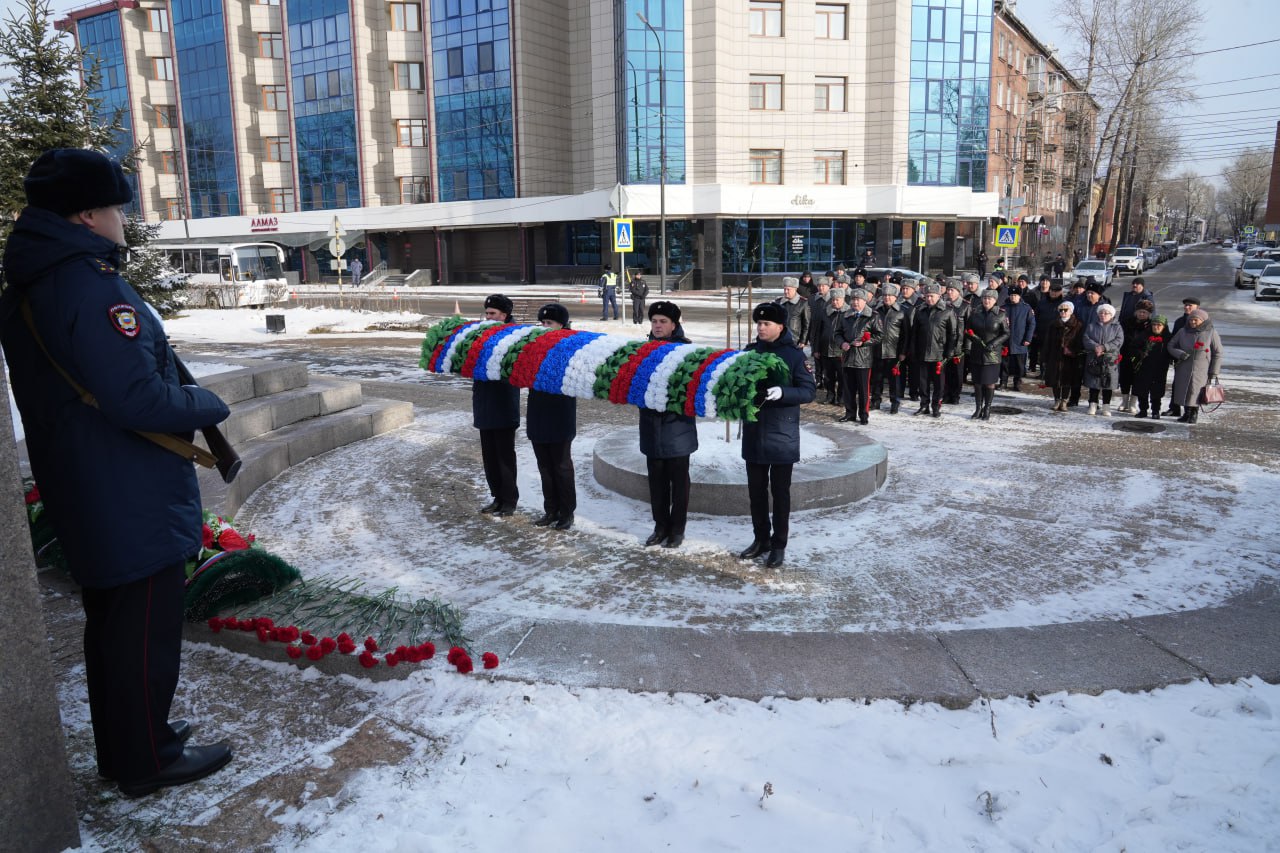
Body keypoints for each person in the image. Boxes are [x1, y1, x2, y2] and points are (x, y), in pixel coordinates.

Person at [0, 148, 234, 797]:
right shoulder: (91, 285)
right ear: (86, 215)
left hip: (87, 479)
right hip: (126, 487)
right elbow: (137, 399)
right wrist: (208, 403)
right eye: (115, 207)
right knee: (141, 632)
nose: (123, 219)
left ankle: (130, 741)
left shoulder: (36, 281)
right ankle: (147, 760)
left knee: (113, 624)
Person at [738, 302, 816, 569]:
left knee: (780, 494)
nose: (761, 328)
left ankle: (779, 544)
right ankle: (761, 539)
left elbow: (808, 391)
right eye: (758, 324)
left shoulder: (794, 355)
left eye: (766, 324)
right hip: (754, 432)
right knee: (756, 492)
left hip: (782, 434)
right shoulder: (750, 352)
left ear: (780, 327)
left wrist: (784, 392)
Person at [639, 301, 697, 548]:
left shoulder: (687, 352)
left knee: (679, 484)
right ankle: (660, 526)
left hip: (677, 429)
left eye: (663, 321)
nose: (658, 325)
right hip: (651, 427)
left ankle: (677, 529)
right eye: (654, 321)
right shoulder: (643, 351)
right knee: (656, 483)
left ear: (674, 325)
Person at [527, 303, 577, 530]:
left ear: (562, 325)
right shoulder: (534, 346)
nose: (545, 326)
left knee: (561, 466)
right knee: (545, 467)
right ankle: (551, 510)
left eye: (550, 323)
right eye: (543, 323)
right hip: (538, 413)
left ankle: (567, 512)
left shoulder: (571, 347)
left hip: (560, 415)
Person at [475, 294, 521, 514]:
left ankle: (509, 500)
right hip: (484, 403)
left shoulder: (515, 337)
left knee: (504, 456)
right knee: (489, 456)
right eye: (486, 313)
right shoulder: (482, 334)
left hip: (503, 404)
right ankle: (497, 497)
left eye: (492, 313)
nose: (488, 317)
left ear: (504, 315)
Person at [908, 283, 960, 417]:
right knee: (923, 382)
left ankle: (936, 406)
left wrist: (949, 351)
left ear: (938, 296)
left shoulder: (947, 311)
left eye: (932, 296)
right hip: (922, 352)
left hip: (939, 353)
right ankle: (924, 405)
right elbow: (914, 333)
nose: (929, 299)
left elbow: (953, 333)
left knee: (939, 384)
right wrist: (913, 349)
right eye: (927, 296)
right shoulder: (920, 311)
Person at [1167, 308, 1224, 425]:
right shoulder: (1182, 331)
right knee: (1184, 390)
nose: (1192, 322)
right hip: (1184, 366)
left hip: (1202, 368)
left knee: (1196, 391)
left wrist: (1214, 371)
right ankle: (1186, 413)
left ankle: (1194, 413)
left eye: (1195, 320)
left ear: (1203, 321)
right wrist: (1180, 354)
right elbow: (1171, 345)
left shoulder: (1211, 332)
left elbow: (1218, 353)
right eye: (1191, 320)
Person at [834, 288, 881, 424]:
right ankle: (850, 413)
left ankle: (864, 415)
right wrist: (842, 343)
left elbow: (879, 335)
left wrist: (864, 342)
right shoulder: (845, 316)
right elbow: (837, 333)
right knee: (848, 389)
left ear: (864, 301)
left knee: (863, 389)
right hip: (848, 357)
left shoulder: (872, 316)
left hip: (863, 359)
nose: (855, 302)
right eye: (853, 299)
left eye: (858, 300)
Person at [964, 289, 1010, 420]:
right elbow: (967, 330)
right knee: (977, 382)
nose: (986, 301)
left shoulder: (1000, 314)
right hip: (977, 352)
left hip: (992, 354)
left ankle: (987, 408)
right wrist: (975, 339)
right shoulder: (975, 313)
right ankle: (978, 408)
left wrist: (994, 344)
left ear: (995, 300)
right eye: (984, 298)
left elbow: (1006, 333)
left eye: (990, 298)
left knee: (989, 382)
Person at [870, 283, 909, 414]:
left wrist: (903, 352)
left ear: (895, 297)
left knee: (894, 380)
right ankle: (875, 400)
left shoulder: (902, 311)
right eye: (885, 295)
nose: (887, 298)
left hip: (894, 352)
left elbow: (906, 334)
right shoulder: (876, 311)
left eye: (890, 295)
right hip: (877, 350)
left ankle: (895, 402)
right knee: (877, 378)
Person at [1042, 300, 1085, 412]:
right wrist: (1045, 357)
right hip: (1055, 356)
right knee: (1055, 379)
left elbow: (1080, 342)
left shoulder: (1078, 325)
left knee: (1067, 380)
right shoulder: (1053, 324)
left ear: (1071, 311)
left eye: (1065, 310)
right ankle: (1056, 400)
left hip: (1069, 358)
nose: (1063, 312)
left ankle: (1064, 400)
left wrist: (1072, 351)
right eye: (1061, 310)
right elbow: (1047, 341)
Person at [1083, 303, 1123, 416]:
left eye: (1106, 313)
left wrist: (1105, 347)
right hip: (1094, 357)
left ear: (1111, 315)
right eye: (1101, 313)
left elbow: (1119, 340)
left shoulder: (1117, 327)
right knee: (1094, 382)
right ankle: (1093, 404)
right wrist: (1096, 347)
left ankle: (1106, 406)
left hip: (1110, 359)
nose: (1103, 315)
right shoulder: (1091, 325)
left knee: (1107, 383)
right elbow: (1086, 338)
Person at [1163, 297, 1201, 417]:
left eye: (1190, 305)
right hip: (1179, 357)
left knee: (1191, 385)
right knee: (1177, 384)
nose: (1187, 307)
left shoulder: (1201, 321)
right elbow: (1173, 340)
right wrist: (1173, 355)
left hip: (1195, 359)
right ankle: (1174, 408)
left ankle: (1189, 411)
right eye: (1185, 305)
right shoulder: (1180, 321)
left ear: (1197, 308)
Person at [1131, 314, 1172, 419]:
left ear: (1164, 326)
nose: (1156, 327)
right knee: (1142, 390)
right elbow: (1133, 347)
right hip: (1144, 367)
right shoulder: (1144, 335)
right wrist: (1140, 353)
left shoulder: (1168, 337)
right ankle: (1143, 410)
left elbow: (1172, 350)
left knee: (1157, 391)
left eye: (1159, 325)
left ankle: (1155, 411)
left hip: (1160, 369)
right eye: (1154, 324)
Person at [1117, 299, 1154, 413]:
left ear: (1149, 314)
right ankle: (1124, 401)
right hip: (1126, 354)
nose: (1141, 314)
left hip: (1141, 357)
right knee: (1125, 379)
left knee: (1137, 380)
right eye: (1140, 311)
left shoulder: (1151, 325)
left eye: (1144, 312)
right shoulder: (1127, 322)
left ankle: (1133, 403)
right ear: (1136, 312)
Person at [1002, 287, 1035, 392]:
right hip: (1005, 341)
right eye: (1011, 295)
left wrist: (1028, 338)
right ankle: (1003, 382)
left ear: (1019, 296)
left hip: (1020, 341)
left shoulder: (1026, 308)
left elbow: (1031, 324)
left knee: (1019, 365)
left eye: (1015, 295)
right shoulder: (1003, 308)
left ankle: (1017, 383)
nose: (1013, 297)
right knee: (1004, 364)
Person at [775, 276, 810, 349]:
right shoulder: (778, 302)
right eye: (784, 289)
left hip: (795, 340)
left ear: (795, 289)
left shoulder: (803, 303)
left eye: (788, 289)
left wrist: (803, 341)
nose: (786, 292)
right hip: (779, 339)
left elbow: (807, 324)